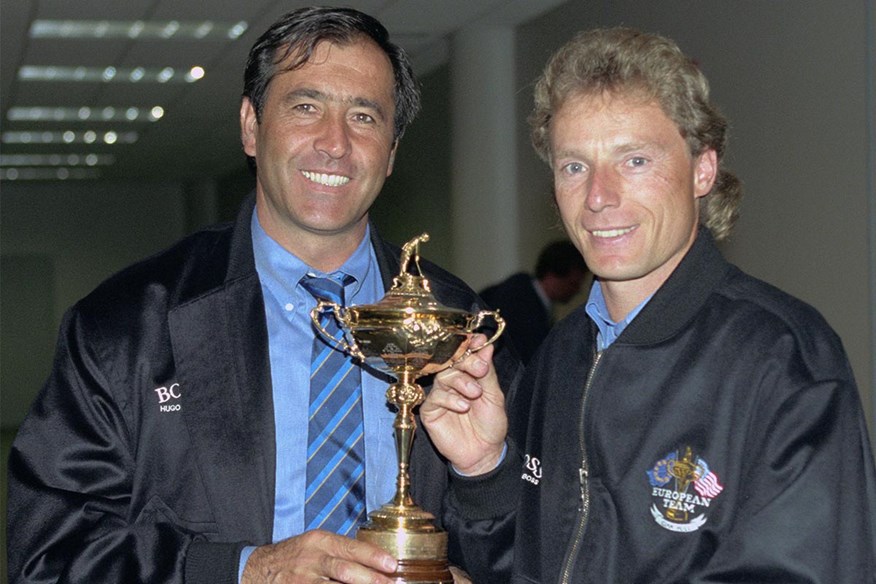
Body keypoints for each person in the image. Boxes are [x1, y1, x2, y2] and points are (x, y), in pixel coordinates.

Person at [6, 7, 520, 584]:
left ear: (392, 150)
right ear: (251, 126)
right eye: (306, 107)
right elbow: (49, 555)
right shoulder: (126, 326)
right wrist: (245, 570)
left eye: (364, 116)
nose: (335, 143)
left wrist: (485, 478)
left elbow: (530, 553)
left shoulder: (459, 327)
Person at [421, 27, 876, 582]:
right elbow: (517, 569)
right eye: (574, 166)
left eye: (633, 160)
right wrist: (484, 470)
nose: (598, 196)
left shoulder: (783, 357)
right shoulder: (554, 363)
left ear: (702, 170)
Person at [480, 240, 588, 364]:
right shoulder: (518, 306)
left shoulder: (522, 297)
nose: (577, 290)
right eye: (573, 284)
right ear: (553, 275)